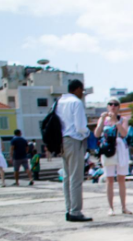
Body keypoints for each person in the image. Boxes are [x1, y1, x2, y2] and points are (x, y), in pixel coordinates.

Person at [57, 79, 92, 222]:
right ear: (77, 89)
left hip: (62, 141)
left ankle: (68, 209)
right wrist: (87, 134)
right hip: (74, 140)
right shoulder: (76, 103)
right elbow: (80, 126)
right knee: (76, 178)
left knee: (66, 177)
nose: (82, 94)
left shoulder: (58, 102)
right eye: (82, 91)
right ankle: (76, 211)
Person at [94, 97, 132, 216]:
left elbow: (124, 133)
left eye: (115, 104)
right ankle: (110, 207)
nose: (113, 106)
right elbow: (96, 133)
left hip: (120, 149)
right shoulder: (103, 119)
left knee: (121, 179)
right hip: (108, 149)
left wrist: (116, 121)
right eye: (110, 104)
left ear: (118, 107)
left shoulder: (123, 119)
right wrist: (102, 120)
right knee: (109, 179)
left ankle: (124, 206)